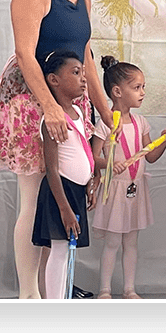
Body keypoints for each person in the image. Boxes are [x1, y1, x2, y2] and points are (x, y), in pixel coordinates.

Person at [0, 0, 115, 299]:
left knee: (59, 198)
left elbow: (86, 55)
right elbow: (26, 54)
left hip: (71, 105)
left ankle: (51, 291)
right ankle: (28, 295)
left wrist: (105, 108)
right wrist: (50, 107)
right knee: (33, 199)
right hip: (33, 103)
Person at [91, 56, 166, 299]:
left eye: (143, 87)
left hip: (136, 190)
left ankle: (130, 289)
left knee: (131, 243)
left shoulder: (141, 122)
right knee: (112, 243)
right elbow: (92, 158)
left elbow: (149, 157)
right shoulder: (105, 125)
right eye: (137, 87)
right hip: (114, 191)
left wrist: (164, 142)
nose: (142, 93)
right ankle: (104, 290)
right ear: (117, 91)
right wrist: (109, 163)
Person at [31, 51, 100, 300]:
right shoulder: (53, 119)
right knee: (59, 251)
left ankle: (62, 296)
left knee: (67, 252)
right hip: (59, 192)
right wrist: (64, 208)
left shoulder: (79, 113)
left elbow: (81, 153)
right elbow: (52, 168)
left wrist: (90, 183)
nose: (83, 78)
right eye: (75, 72)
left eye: (83, 72)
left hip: (75, 191)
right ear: (53, 79)